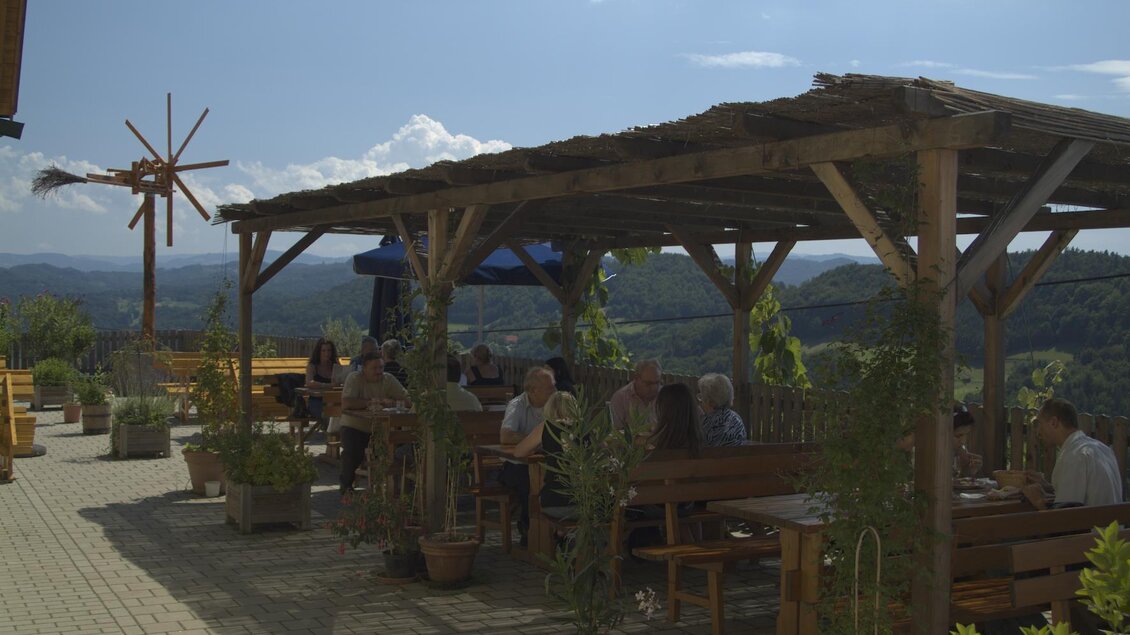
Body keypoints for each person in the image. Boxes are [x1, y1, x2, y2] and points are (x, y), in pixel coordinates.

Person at [1025, 398, 1122, 508]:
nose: (1038, 432)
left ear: (1053, 422)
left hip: (1093, 525)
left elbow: (1065, 518)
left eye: (1040, 424)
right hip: (1114, 524)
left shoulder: (1073, 456)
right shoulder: (1104, 449)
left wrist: (1038, 501)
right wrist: (1048, 487)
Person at [498, 366, 556, 545]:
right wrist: (536, 441)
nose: (555, 391)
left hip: (543, 464)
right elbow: (506, 436)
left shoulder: (556, 404)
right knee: (529, 482)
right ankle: (529, 530)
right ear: (533, 390)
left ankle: (552, 532)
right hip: (515, 465)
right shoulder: (517, 405)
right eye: (550, 388)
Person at [337, 352, 409, 496]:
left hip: (380, 428)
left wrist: (391, 402)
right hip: (355, 426)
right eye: (374, 368)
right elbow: (346, 403)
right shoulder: (355, 379)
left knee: (401, 446)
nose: (379, 372)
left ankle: (393, 488)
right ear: (364, 368)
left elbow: (407, 400)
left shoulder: (388, 379)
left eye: (381, 367)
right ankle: (346, 486)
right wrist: (370, 402)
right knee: (352, 451)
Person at [697, 373, 747, 447]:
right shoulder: (736, 418)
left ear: (711, 401)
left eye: (701, 397)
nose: (700, 402)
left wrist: (698, 419)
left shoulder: (707, 422)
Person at [610, 359, 662, 431]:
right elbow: (614, 431)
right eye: (648, 384)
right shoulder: (621, 398)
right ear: (636, 378)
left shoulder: (666, 396)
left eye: (657, 383)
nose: (654, 388)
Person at [305, 338, 343, 419]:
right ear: (318, 352)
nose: (327, 353)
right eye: (323, 350)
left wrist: (339, 365)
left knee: (338, 407)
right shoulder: (312, 366)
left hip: (333, 401)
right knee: (332, 410)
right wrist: (328, 385)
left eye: (329, 350)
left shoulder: (334, 366)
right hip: (317, 401)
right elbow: (309, 383)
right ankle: (329, 425)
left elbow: (341, 381)